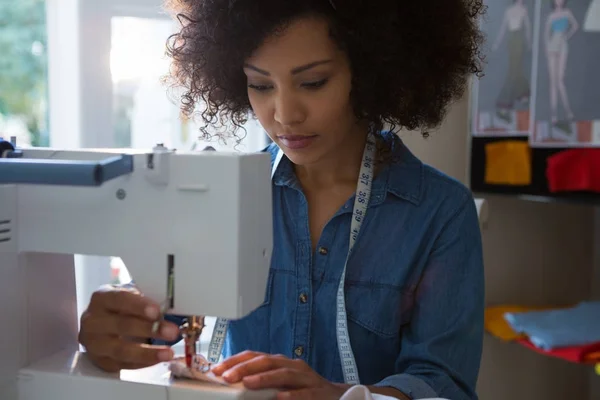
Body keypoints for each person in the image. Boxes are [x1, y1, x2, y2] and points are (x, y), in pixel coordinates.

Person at [78, 1, 486, 399]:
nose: (284, 114)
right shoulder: (223, 194)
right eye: (260, 85)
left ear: (367, 72)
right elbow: (167, 301)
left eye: (312, 82)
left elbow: (443, 385)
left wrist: (343, 396)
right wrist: (122, 318)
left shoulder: (439, 213)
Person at [492, 0, 532, 123]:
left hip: (519, 39)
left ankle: (505, 105)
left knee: (515, 69)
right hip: (511, 39)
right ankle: (523, 94)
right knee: (514, 69)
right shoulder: (508, 10)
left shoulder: (524, 9)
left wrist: (529, 42)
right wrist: (497, 43)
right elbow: (504, 27)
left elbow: (528, 27)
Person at [545, 0, 579, 124]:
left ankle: (568, 111)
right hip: (552, 47)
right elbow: (546, 34)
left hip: (563, 46)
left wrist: (567, 36)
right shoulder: (551, 15)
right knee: (553, 82)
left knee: (560, 80)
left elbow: (575, 26)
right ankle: (553, 114)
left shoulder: (567, 12)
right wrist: (547, 48)